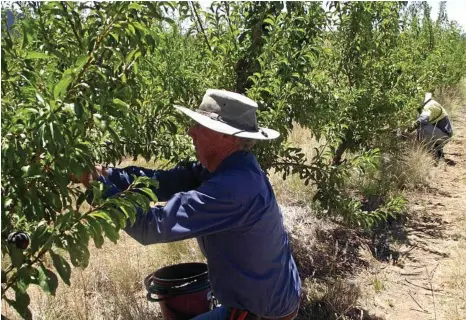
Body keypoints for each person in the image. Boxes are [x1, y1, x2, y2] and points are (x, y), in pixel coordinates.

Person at [80, 89, 301, 320]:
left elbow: (150, 227)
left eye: (201, 126)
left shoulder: (232, 188)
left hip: (263, 313)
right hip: (261, 298)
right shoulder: (226, 168)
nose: (190, 131)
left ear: (227, 136)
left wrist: (97, 185)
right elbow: (160, 182)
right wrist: (108, 174)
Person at [411, 92, 453, 160]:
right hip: (442, 133)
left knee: (422, 128)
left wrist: (407, 130)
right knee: (420, 129)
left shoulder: (429, 106)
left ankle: (431, 152)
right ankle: (437, 149)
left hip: (444, 136)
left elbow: (422, 120)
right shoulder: (430, 103)